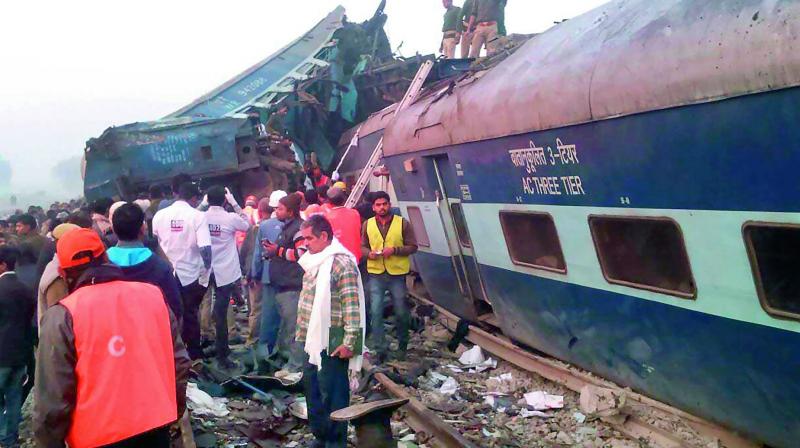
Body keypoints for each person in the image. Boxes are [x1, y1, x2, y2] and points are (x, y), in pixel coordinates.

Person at [33, 229, 191, 448]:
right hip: (155, 428)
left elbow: (53, 398)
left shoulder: (62, 316)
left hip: (94, 438)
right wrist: (174, 411)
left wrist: (50, 442)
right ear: (106, 257)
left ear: (62, 272)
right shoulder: (153, 295)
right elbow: (180, 363)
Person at [296, 215, 365, 448]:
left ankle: (336, 441)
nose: (306, 243)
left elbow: (352, 306)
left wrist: (350, 342)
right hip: (311, 340)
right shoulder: (314, 260)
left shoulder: (341, 264)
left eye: (310, 238)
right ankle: (321, 435)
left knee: (334, 393)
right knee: (313, 390)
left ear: (324, 236)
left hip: (333, 339)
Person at [152, 181, 213, 359]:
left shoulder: (159, 216)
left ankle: (172, 352)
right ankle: (193, 353)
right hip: (190, 274)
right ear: (194, 198)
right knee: (190, 313)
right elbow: (205, 250)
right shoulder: (197, 216)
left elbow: (156, 243)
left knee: (169, 314)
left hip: (165, 273)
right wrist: (205, 275)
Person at [361, 192, 418, 362]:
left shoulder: (403, 224)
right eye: (378, 205)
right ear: (373, 207)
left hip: (397, 275)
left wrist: (395, 250)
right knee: (376, 312)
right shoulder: (367, 225)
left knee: (401, 312)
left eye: (384, 204)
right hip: (376, 274)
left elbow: (413, 246)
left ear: (389, 204)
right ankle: (381, 350)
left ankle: (402, 347)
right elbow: (362, 246)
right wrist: (368, 254)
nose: (382, 207)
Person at [108, 203, 183, 321]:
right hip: (152, 332)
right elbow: (175, 308)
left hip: (114, 334)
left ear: (113, 230)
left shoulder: (102, 265)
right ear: (142, 229)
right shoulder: (160, 267)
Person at [205, 186, 251, 368]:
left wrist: (202, 205)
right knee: (221, 313)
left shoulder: (201, 217)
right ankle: (223, 353)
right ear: (225, 200)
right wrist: (234, 203)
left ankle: (208, 344)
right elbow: (246, 223)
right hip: (225, 272)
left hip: (206, 270)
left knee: (205, 308)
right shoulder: (230, 218)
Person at [263, 193, 306, 373]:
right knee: (285, 327)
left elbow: (301, 254)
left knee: (293, 328)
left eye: (280, 209)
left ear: (290, 211)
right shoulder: (286, 227)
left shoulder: (299, 229)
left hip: (292, 286)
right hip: (282, 285)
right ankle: (286, 360)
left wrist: (277, 251)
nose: (276, 211)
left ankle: (295, 367)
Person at [0, 247, 34, 448]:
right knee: (13, 398)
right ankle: (10, 438)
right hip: (20, 353)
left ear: (3, 264)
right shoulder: (24, 288)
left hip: (1, 354)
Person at [251, 191, 287, 366]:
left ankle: (266, 354)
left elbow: (258, 254)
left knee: (269, 317)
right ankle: (286, 354)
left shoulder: (264, 226)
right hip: (290, 280)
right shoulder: (297, 224)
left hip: (269, 277)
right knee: (289, 318)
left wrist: (255, 274)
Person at [325, 187, 362, 264]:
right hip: (355, 259)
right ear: (344, 198)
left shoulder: (326, 218)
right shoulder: (355, 213)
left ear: (328, 201)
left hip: (337, 262)